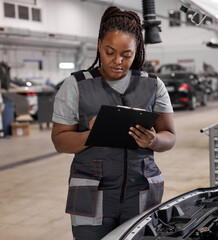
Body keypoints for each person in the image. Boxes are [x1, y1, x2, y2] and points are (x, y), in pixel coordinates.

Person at [51, 6, 176, 240]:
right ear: (99, 45)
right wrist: (94, 133)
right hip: (92, 193)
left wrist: (154, 140)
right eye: (109, 52)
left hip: (141, 190)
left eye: (126, 55)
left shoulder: (152, 85)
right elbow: (60, 141)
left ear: (137, 50)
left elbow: (169, 136)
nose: (117, 61)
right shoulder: (76, 85)